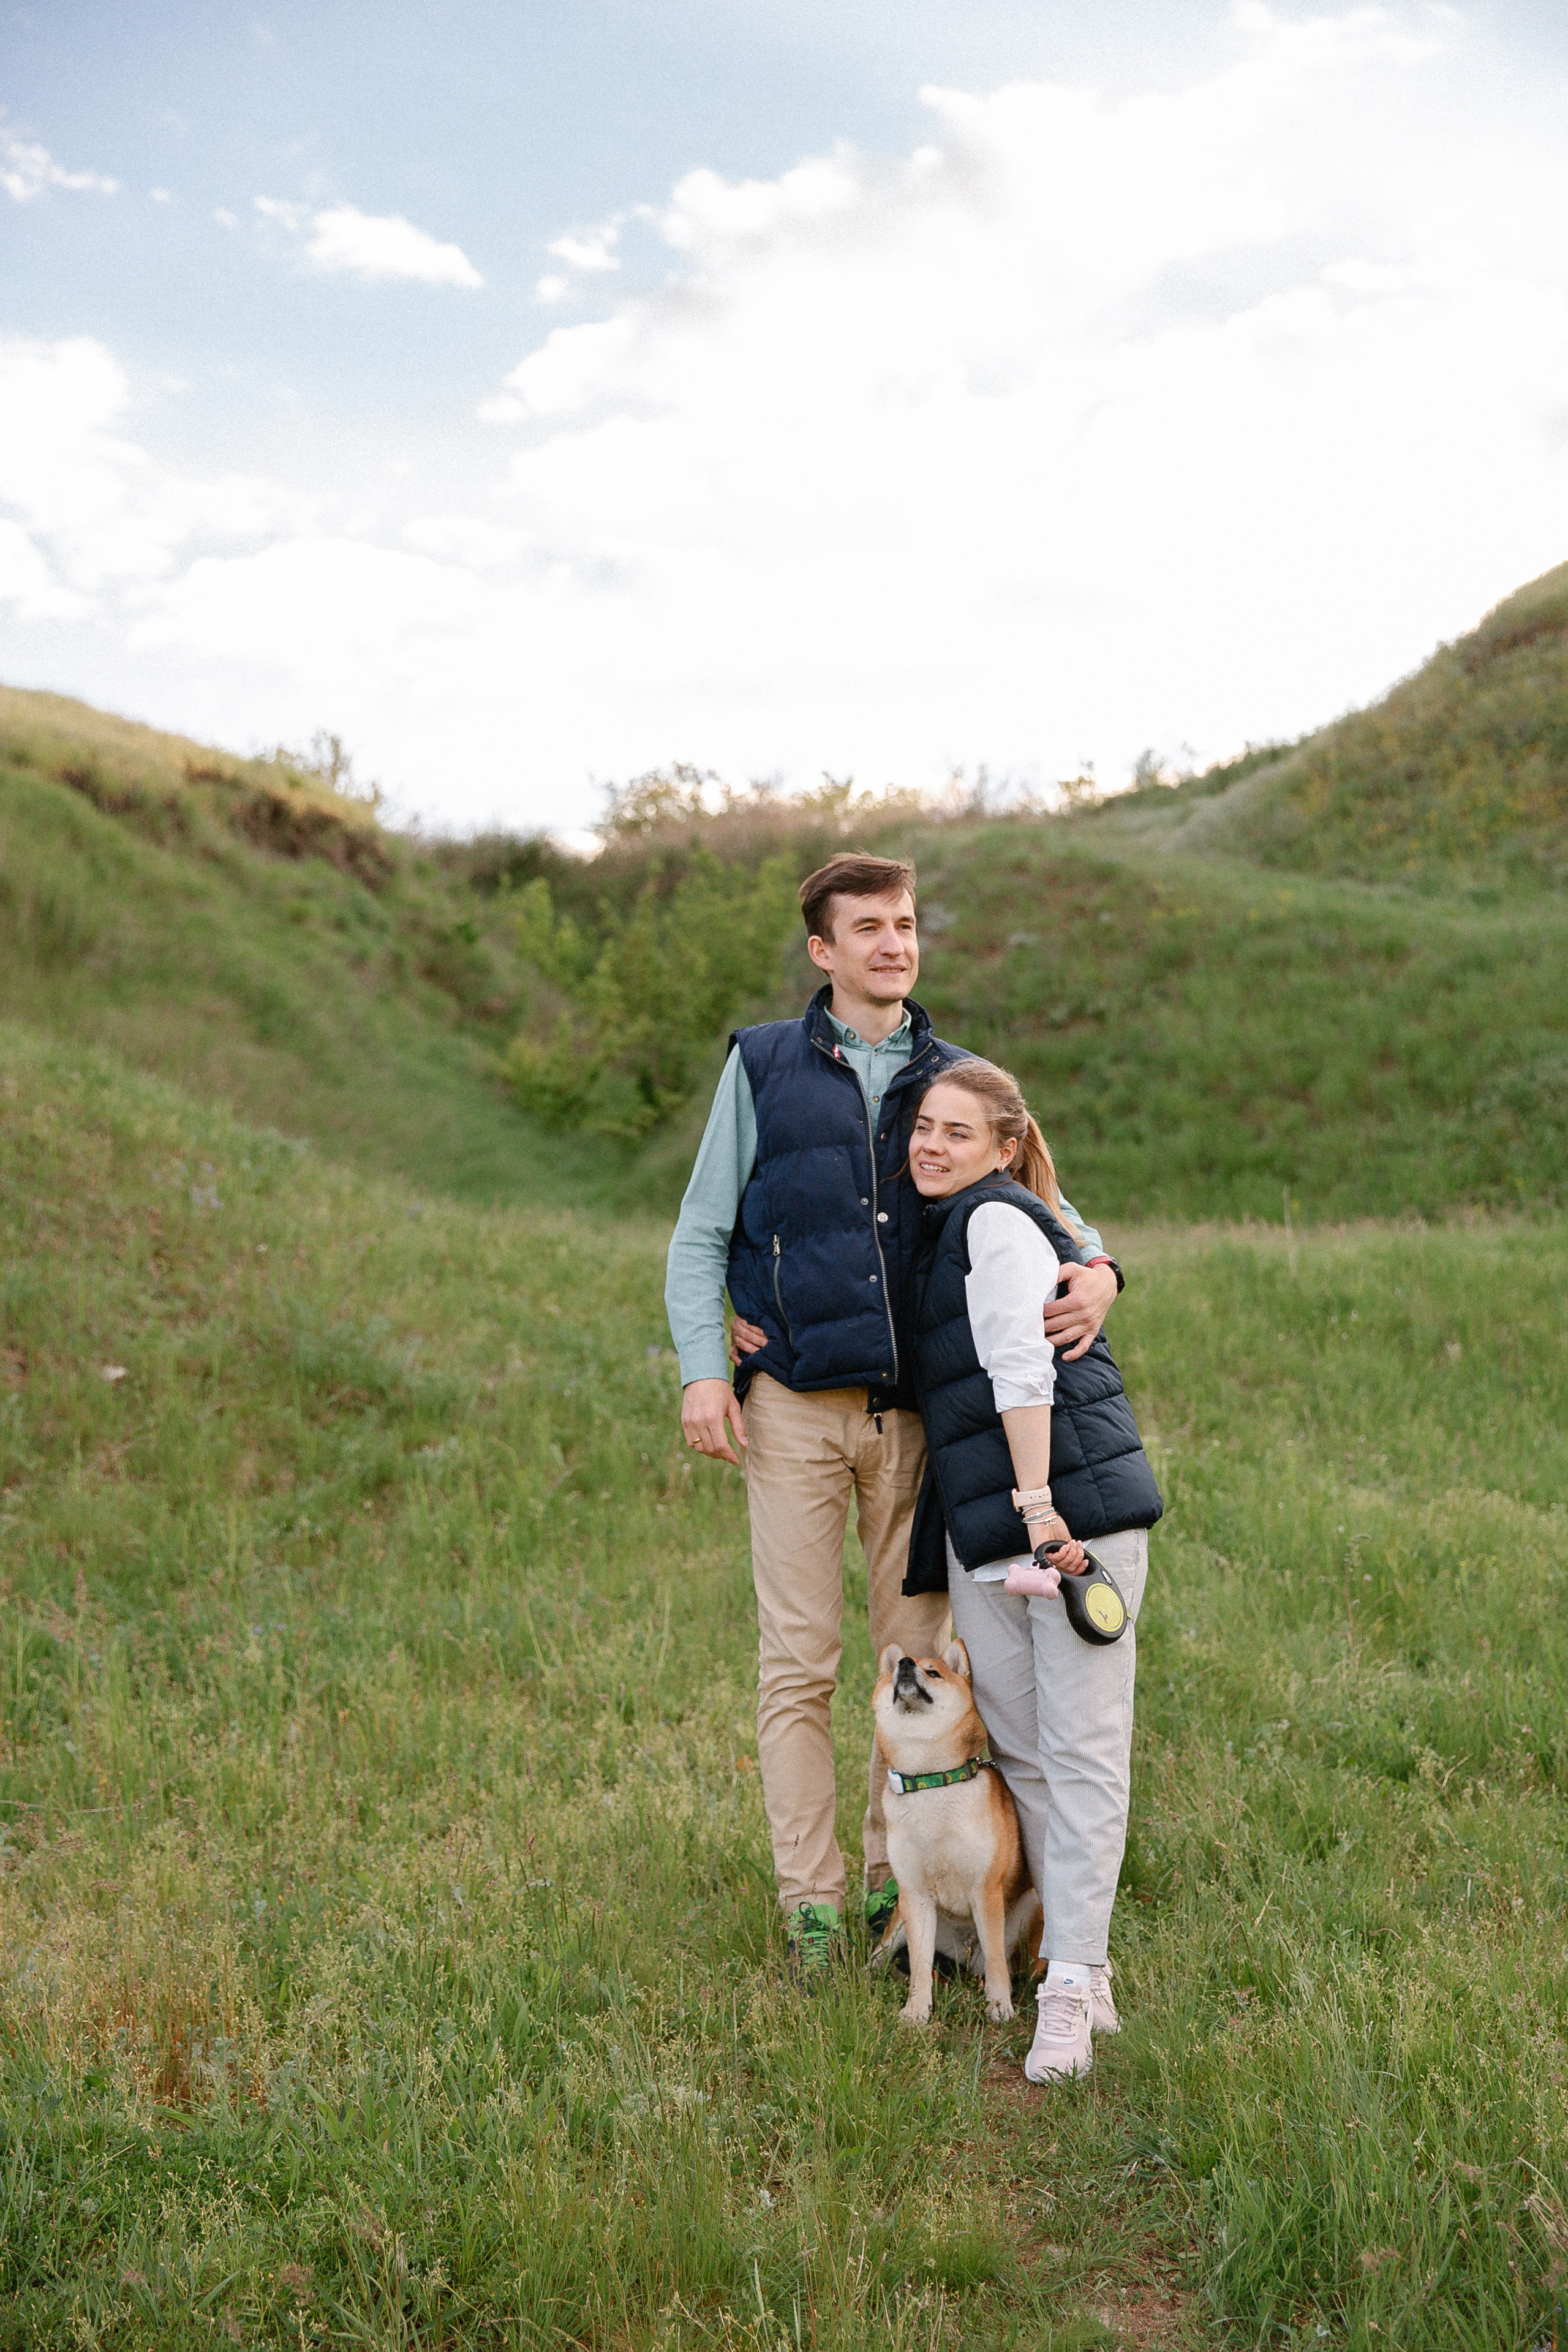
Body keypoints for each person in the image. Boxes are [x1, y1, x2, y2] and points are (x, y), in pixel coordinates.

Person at [664, 850, 1124, 1970]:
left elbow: (1054, 1207)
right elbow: (702, 1232)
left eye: (905, 923)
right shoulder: (764, 1065)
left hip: (916, 1424)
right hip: (792, 1408)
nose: (893, 944)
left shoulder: (955, 1078)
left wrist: (1104, 1271)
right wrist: (703, 1369)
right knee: (798, 1663)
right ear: (822, 949)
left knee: (916, 1654)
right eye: (867, 926)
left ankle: (891, 1882)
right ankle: (811, 1899)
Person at [901, 1058, 1163, 2079]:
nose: (931, 1145)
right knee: (1028, 1754)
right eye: (924, 1126)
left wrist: (1039, 1507)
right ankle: (1083, 1965)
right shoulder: (945, 1225)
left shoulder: (996, 1223)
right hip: (993, 1531)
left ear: (1006, 1148)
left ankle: (1066, 1986)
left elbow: (1021, 1371)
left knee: (1084, 1754)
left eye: (957, 1132)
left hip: (1064, 1520)